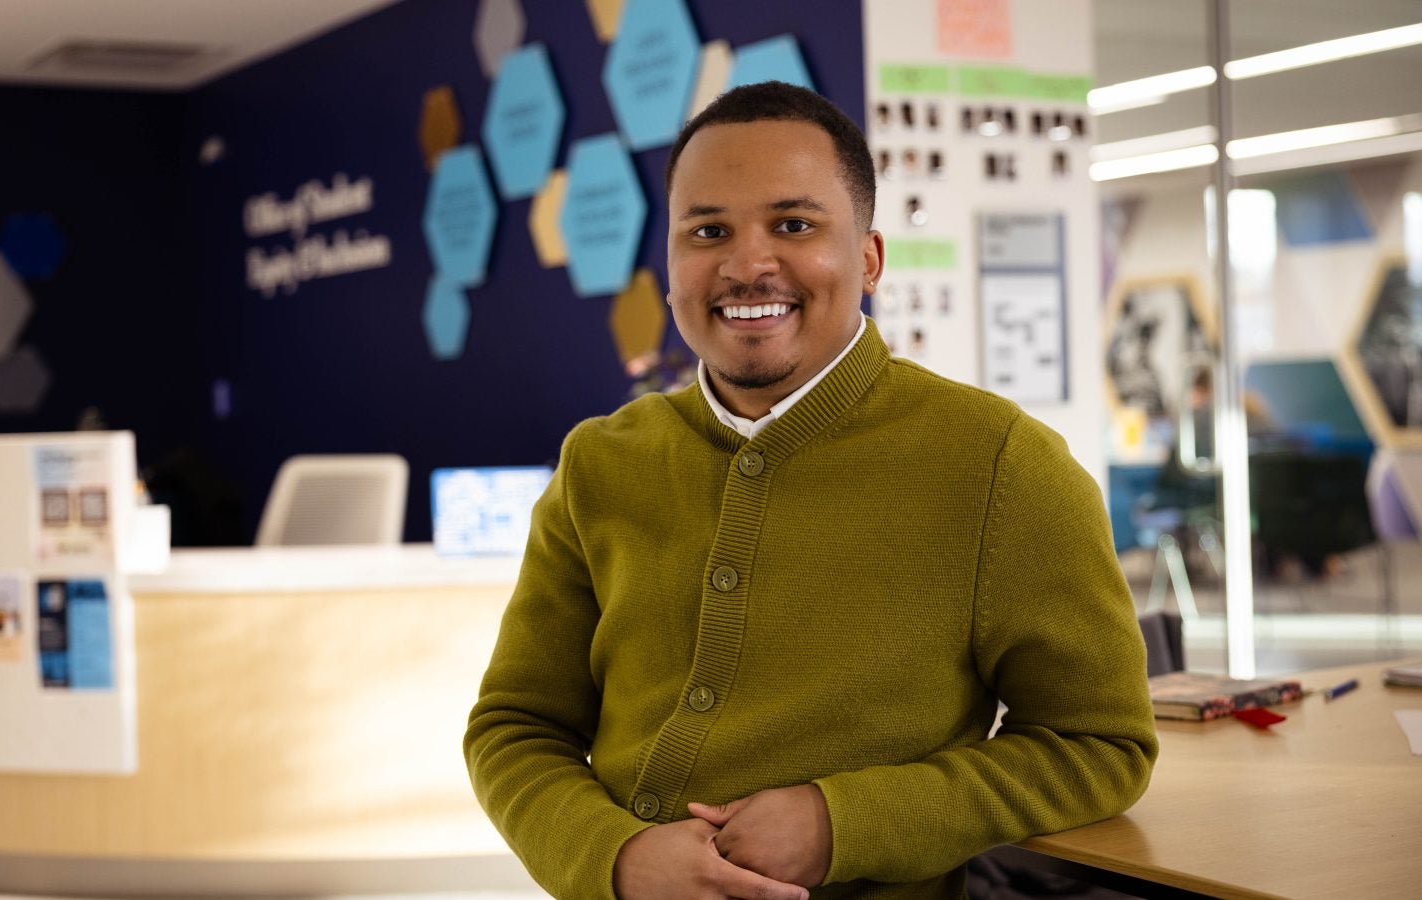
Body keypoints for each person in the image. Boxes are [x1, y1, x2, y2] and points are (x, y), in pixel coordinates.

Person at [465, 82, 1157, 900]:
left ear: (868, 258)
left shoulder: (1002, 465)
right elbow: (515, 728)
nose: (748, 263)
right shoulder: (600, 463)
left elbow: (1100, 745)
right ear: (671, 265)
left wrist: (845, 822)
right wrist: (612, 859)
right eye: (708, 230)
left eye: (793, 225)